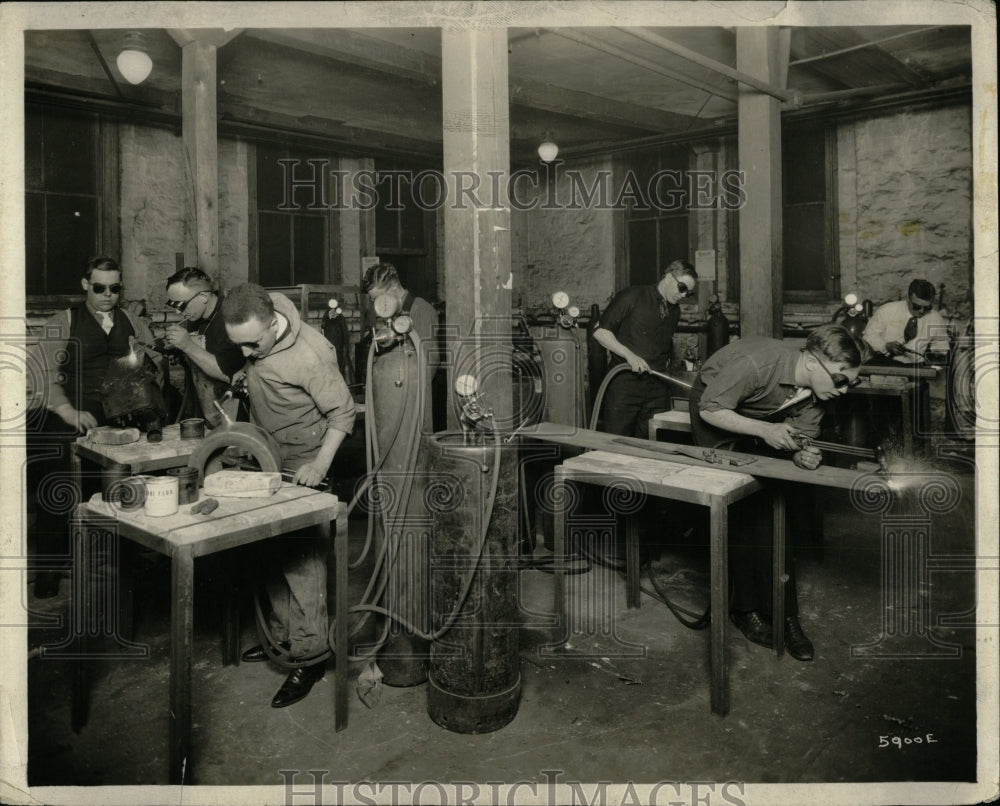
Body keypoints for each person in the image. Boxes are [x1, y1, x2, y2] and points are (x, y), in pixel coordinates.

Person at [689, 324, 864, 661]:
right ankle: (745, 609)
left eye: (851, 384)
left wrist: (802, 453)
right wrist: (763, 430)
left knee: (776, 498)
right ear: (813, 362)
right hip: (716, 405)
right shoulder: (759, 363)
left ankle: (785, 613)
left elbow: (801, 435)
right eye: (840, 379)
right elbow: (710, 408)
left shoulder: (819, 391)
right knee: (739, 500)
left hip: (763, 413)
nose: (844, 390)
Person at [221, 283, 356, 707]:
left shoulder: (309, 355)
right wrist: (248, 376)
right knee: (268, 551)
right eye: (237, 345)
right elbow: (254, 357)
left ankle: (310, 655)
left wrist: (320, 465)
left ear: (273, 327)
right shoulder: (264, 314)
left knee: (302, 561)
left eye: (251, 344)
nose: (244, 353)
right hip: (267, 450)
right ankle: (283, 639)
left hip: (303, 459)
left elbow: (343, 412)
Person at [27, 256, 163, 598]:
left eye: (115, 288)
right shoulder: (65, 319)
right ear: (85, 284)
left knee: (135, 471)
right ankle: (49, 566)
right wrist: (68, 411)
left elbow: (154, 363)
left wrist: (146, 362)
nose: (107, 295)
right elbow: (41, 375)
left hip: (118, 409)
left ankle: (124, 561)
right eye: (100, 287)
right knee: (56, 479)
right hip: (70, 409)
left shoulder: (132, 320)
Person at [361, 262, 438, 685]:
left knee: (410, 526)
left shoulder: (420, 309)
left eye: (377, 297)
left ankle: (412, 636)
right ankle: (389, 631)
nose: (375, 307)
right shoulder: (385, 316)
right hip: (390, 439)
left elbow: (429, 361)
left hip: (414, 426)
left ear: (391, 286)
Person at [592, 259, 698, 437]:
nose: (683, 295)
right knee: (616, 443)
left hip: (657, 386)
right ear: (668, 277)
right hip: (624, 384)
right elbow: (600, 332)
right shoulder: (632, 296)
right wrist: (629, 355)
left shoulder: (675, 311)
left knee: (651, 444)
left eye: (688, 292)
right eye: (682, 288)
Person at [163, 267, 246, 425]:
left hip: (234, 410)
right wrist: (180, 352)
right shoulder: (195, 318)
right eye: (173, 305)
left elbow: (228, 374)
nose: (178, 312)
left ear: (203, 296)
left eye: (181, 305)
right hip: (206, 407)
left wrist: (187, 345)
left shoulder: (230, 320)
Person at [863, 279, 949, 360]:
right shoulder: (887, 310)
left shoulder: (936, 318)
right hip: (884, 363)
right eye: (916, 306)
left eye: (927, 307)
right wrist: (885, 346)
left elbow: (941, 344)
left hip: (916, 367)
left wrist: (938, 354)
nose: (921, 311)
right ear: (909, 298)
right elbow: (868, 337)